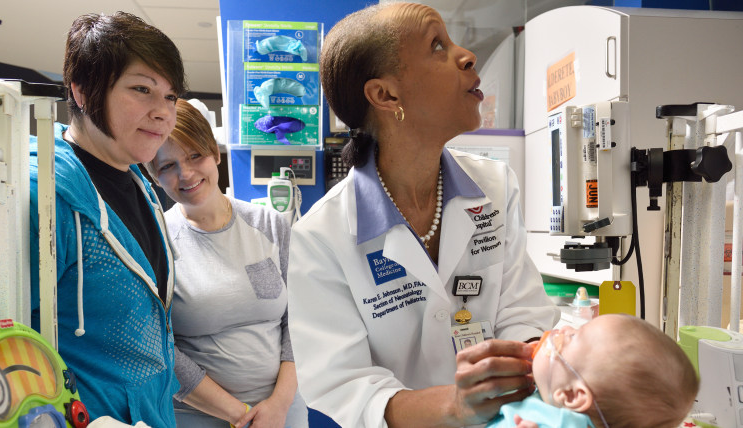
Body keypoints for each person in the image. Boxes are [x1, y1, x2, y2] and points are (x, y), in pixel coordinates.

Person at [286, 2, 559, 427]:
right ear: (385, 95)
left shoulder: (495, 187)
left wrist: (541, 367)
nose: (466, 55)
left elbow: (524, 314)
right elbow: (343, 384)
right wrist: (455, 407)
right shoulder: (321, 236)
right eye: (437, 45)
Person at [27, 12, 186, 426]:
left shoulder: (141, 185)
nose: (163, 113)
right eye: (142, 89)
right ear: (82, 92)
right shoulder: (41, 195)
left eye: (170, 96)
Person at [143, 99, 307, 428]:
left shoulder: (271, 224)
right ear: (154, 177)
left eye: (194, 156)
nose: (185, 174)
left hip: (283, 411)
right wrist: (240, 416)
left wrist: (278, 405)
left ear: (215, 154)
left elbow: (301, 320)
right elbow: (162, 348)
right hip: (200, 415)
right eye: (167, 166)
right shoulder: (154, 243)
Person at [487, 314, 699, 428]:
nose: (565, 329)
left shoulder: (554, 423)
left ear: (572, 395)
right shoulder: (547, 400)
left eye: (572, 337)